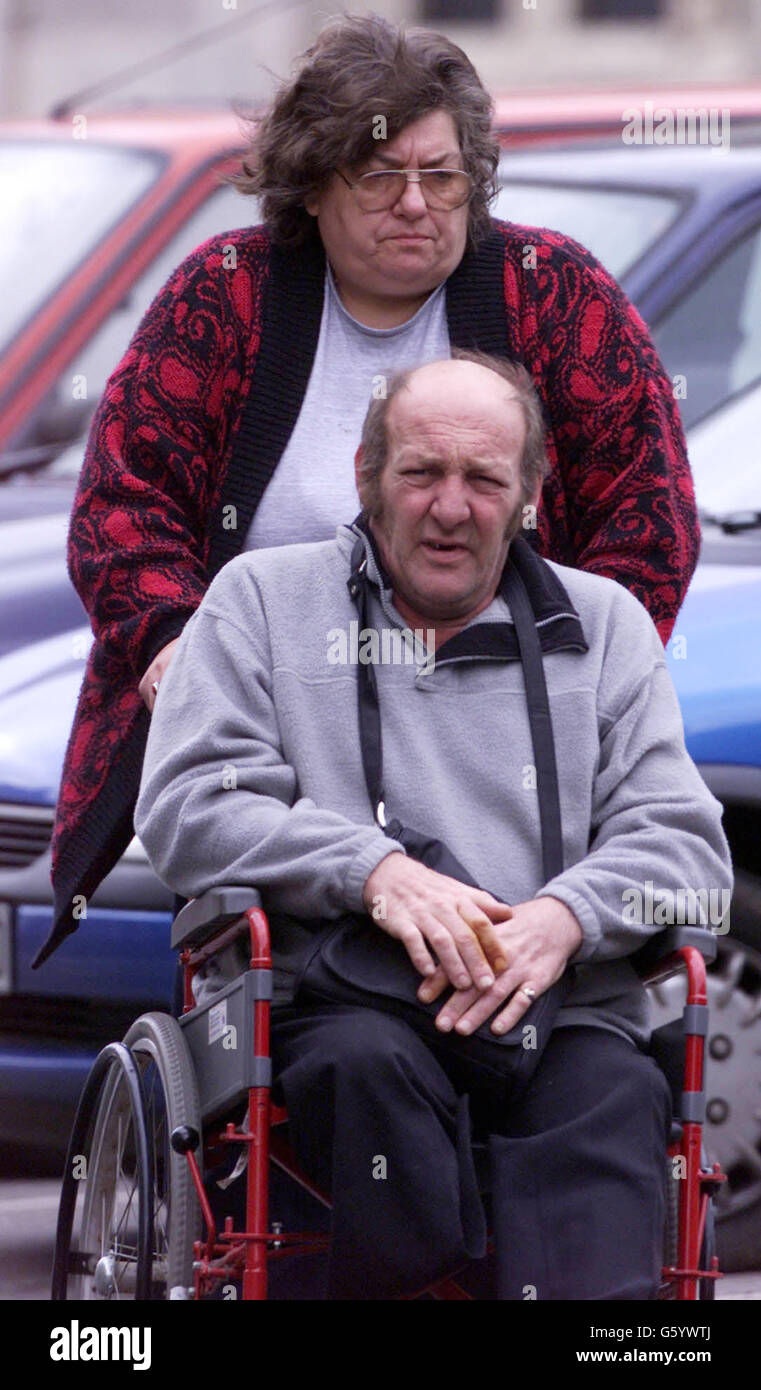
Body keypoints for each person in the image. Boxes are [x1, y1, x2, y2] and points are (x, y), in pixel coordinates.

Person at [38, 13, 697, 969]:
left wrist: (580, 683)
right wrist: (181, 652)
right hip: (277, 728)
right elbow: (124, 506)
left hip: (502, 742)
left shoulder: (553, 293)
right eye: (380, 177)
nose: (416, 204)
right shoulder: (224, 296)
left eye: (441, 176)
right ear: (310, 188)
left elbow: (648, 520)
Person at [133, 354, 731, 1300]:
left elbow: (689, 857)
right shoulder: (260, 600)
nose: (450, 507)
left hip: (561, 1009)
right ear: (368, 473)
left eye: (484, 480)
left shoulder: (606, 625)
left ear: (529, 493)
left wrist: (564, 917)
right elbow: (189, 804)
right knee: (366, 1070)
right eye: (420, 473)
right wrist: (374, 872)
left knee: (612, 1098)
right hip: (338, 1000)